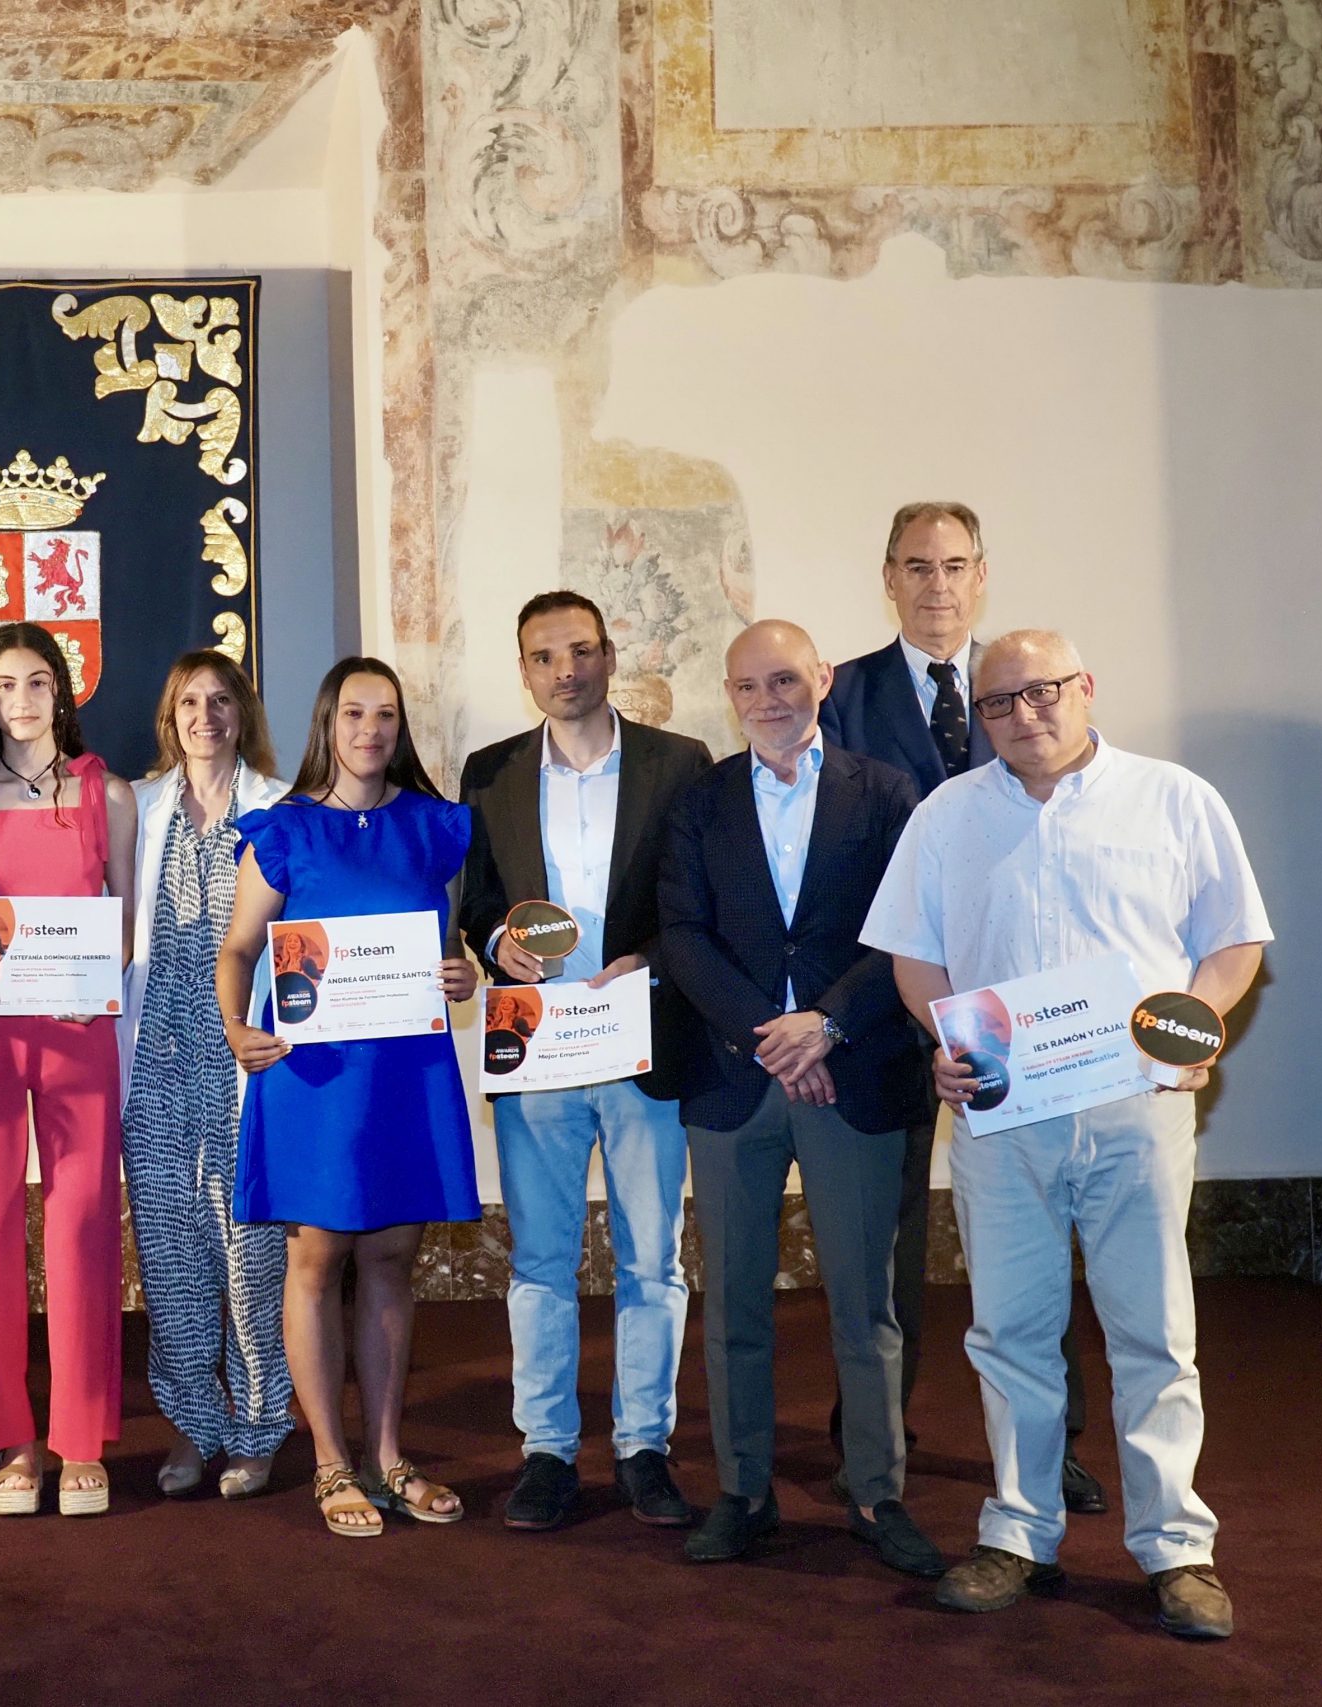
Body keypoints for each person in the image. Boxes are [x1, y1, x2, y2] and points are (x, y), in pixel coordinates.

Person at [862, 630, 1269, 1639]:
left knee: (1152, 1334)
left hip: (1136, 1111)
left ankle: (1176, 1548)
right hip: (1002, 1119)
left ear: (1085, 688)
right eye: (998, 703)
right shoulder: (946, 817)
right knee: (1009, 1333)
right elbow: (915, 960)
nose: (1022, 715)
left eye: (1041, 692)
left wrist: (1199, 1020)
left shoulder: (1172, 799)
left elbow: (1233, 941)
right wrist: (940, 1041)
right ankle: (1017, 1533)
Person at [821, 502, 1103, 1515]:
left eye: (953, 565)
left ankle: (1050, 1442)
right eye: (915, 566)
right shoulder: (839, 695)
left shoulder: (1026, 689)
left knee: (1039, 1228)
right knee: (885, 1240)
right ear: (886, 578)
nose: (935, 584)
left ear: (980, 576)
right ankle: (875, 1437)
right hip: (887, 1000)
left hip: (1024, 1017)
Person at [656, 620, 941, 1574]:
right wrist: (766, 1034)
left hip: (851, 1072)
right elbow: (683, 934)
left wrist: (824, 1022)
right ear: (729, 695)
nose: (769, 699)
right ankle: (743, 1491)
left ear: (820, 678)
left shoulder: (887, 791)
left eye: (786, 678)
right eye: (749, 685)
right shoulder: (699, 800)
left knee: (867, 1307)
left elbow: (908, 927)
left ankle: (877, 1494)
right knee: (734, 1301)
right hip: (735, 1082)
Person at [458, 591, 712, 1533]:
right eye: (542, 656)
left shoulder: (678, 764)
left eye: (580, 650)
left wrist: (654, 955)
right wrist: (494, 946)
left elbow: (699, 898)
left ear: (610, 655)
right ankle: (548, 1452)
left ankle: (645, 1446)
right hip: (537, 1045)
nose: (564, 669)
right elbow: (478, 901)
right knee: (540, 1261)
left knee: (653, 1260)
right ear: (522, 670)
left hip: (642, 1038)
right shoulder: (487, 775)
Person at [216, 657, 480, 1538]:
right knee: (317, 1261)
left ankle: (391, 1452)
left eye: (388, 716)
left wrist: (462, 970)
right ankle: (331, 1459)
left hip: (405, 1071)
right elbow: (239, 950)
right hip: (313, 1077)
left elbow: (452, 947)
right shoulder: (284, 830)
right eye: (356, 713)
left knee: (392, 1259)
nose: (371, 730)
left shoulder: (435, 827)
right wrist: (233, 1025)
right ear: (328, 720)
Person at [0, 621, 137, 1517]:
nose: (22, 700)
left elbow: (121, 920)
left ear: (63, 691)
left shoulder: (110, 793)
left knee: (84, 1220)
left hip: (79, 1027)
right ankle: (11, 1433)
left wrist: (103, 978)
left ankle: (79, 1436)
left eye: (38, 682)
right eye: (5, 684)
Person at [122, 652, 293, 1501]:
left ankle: (259, 1429)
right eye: (189, 699)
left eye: (221, 699)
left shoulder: (280, 808)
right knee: (170, 1249)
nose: (205, 714)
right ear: (170, 715)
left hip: (246, 1052)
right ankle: (195, 1425)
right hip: (155, 1051)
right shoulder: (138, 806)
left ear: (242, 712)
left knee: (252, 1250)